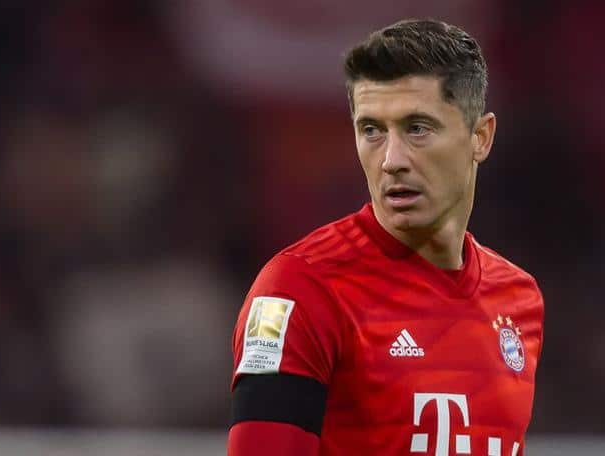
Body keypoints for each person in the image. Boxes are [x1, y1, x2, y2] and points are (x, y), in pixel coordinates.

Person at [227, 19, 544, 456]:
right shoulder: (299, 289)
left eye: (418, 128)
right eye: (372, 130)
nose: (392, 160)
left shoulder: (518, 299)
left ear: (480, 137)